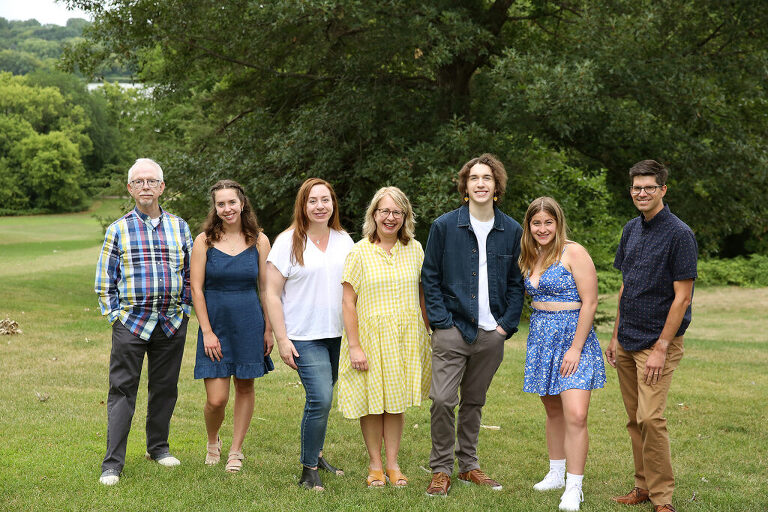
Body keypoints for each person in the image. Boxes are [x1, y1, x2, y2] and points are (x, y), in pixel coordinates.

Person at [422, 153, 525, 496]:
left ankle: (468, 466)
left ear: (497, 187)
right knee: (441, 399)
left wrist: (504, 328)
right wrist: (441, 323)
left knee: (474, 402)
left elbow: (516, 282)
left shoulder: (511, 230)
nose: (480, 183)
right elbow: (430, 278)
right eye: (474, 178)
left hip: (490, 334)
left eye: (487, 178)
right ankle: (440, 469)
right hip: (452, 329)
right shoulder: (444, 226)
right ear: (465, 186)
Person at [605, 160, 697, 512]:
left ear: (663, 190)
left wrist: (661, 348)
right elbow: (626, 287)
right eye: (636, 188)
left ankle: (663, 500)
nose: (641, 193)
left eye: (649, 187)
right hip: (627, 340)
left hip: (657, 344)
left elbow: (683, 297)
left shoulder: (680, 234)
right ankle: (642, 486)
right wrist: (614, 336)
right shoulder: (631, 229)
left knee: (650, 418)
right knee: (634, 418)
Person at [95, 158, 193, 486]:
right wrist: (114, 317)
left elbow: (192, 275)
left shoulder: (180, 227)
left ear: (162, 187)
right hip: (132, 324)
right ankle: (113, 464)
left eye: (151, 181)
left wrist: (186, 310)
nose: (146, 186)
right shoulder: (118, 229)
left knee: (165, 389)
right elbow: (104, 280)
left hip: (170, 322)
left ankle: (158, 447)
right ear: (130, 188)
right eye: (139, 182)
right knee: (122, 391)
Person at [338, 186, 431, 488]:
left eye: (397, 212)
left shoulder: (415, 249)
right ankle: (375, 465)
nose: (390, 218)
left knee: (395, 402)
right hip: (369, 338)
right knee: (372, 402)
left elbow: (422, 294)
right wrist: (354, 346)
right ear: (374, 215)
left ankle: (393, 464)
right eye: (384, 211)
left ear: (405, 216)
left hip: (406, 336)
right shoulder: (359, 251)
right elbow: (348, 301)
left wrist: (428, 332)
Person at [264, 178, 354, 491]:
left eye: (325, 200)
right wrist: (282, 339)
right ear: (303, 206)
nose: (319, 206)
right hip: (303, 336)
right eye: (312, 201)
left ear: (333, 204)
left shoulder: (344, 240)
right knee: (321, 398)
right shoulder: (288, 241)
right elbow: (271, 293)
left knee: (322, 400)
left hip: (338, 336)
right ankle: (308, 470)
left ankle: (316, 454)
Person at [519, 197, 606, 512]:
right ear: (529, 226)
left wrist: (575, 348)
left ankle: (574, 486)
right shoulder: (531, 255)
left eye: (548, 222)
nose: (542, 229)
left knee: (576, 414)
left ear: (558, 223)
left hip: (573, 339)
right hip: (541, 339)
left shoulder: (574, 252)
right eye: (536, 223)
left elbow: (591, 302)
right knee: (553, 411)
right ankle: (555, 472)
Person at [190, 179, 274, 473]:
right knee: (216, 399)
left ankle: (236, 451)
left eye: (232, 202)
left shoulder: (260, 240)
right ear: (215, 208)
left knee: (245, 386)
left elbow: (266, 290)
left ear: (242, 203)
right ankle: (213, 441)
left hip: (250, 321)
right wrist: (208, 332)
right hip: (216, 325)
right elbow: (196, 289)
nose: (227, 209)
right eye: (220, 204)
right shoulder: (204, 241)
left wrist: (268, 329)